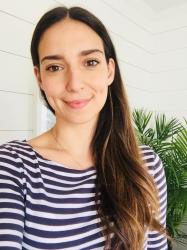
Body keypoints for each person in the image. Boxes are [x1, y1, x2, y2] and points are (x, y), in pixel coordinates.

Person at [0, 6, 168, 250]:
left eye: (90, 62)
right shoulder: (12, 167)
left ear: (110, 70)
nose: (75, 84)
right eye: (55, 67)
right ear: (40, 78)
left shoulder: (146, 165)